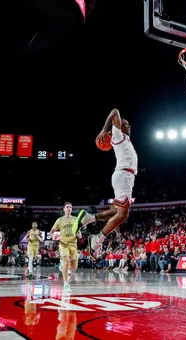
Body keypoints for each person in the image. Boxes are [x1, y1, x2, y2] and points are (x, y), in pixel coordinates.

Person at [77, 109, 138, 259]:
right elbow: (114, 111)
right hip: (123, 175)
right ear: (118, 127)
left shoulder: (125, 138)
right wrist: (104, 130)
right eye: (126, 124)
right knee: (123, 215)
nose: (129, 126)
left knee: (116, 212)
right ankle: (97, 240)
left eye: (129, 125)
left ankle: (89, 218)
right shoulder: (117, 135)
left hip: (126, 176)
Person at [50, 202, 82, 293]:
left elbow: (79, 232)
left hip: (73, 244)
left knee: (74, 267)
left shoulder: (76, 219)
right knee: (66, 261)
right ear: (64, 209)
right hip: (63, 243)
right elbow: (52, 231)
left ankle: (62, 265)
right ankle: (66, 284)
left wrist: (79, 234)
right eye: (67, 207)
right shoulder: (60, 220)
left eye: (70, 207)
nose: (69, 209)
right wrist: (53, 236)